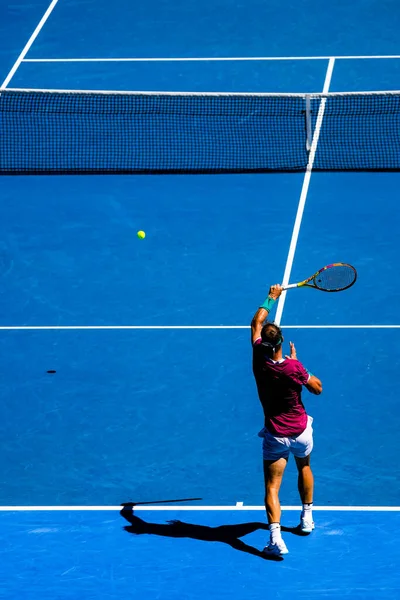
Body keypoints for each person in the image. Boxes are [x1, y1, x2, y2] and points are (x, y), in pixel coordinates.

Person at [251, 284, 322, 556]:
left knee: (272, 486)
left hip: (275, 434)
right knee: (304, 467)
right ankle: (306, 518)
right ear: (281, 342)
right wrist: (300, 366)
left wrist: (271, 297)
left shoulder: (259, 359)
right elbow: (317, 388)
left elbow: (256, 322)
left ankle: (275, 539)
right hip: (301, 431)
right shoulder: (294, 368)